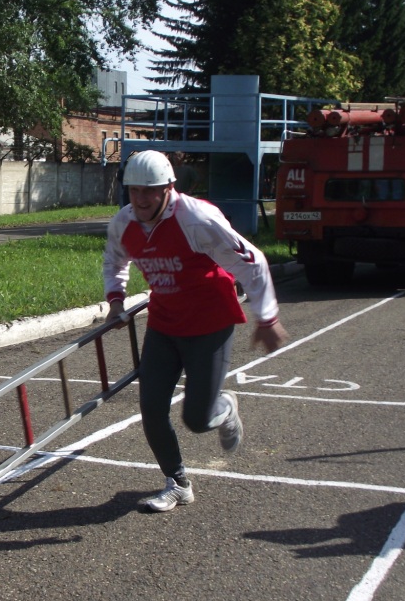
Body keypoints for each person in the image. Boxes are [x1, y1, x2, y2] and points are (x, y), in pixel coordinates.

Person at [103, 150, 288, 512]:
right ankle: (177, 483)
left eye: (150, 191)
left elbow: (253, 262)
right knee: (151, 409)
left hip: (209, 324)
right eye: (134, 191)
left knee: (197, 419)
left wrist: (267, 317)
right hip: (164, 324)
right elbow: (114, 259)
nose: (140, 199)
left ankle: (224, 406)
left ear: (169, 188)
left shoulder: (196, 218)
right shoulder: (124, 222)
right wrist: (115, 300)